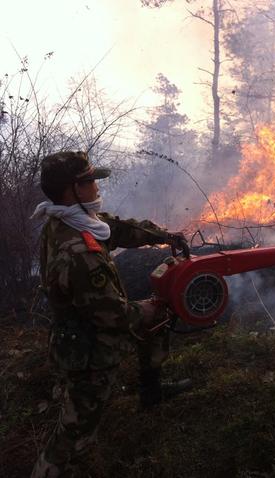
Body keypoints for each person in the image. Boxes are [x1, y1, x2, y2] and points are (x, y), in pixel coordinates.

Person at [30, 151, 191, 478]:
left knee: (155, 320)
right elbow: (111, 315)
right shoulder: (78, 251)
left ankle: (151, 391)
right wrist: (143, 310)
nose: (97, 186)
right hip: (89, 348)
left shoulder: (68, 220)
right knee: (74, 432)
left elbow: (117, 229)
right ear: (70, 190)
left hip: (87, 326)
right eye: (89, 181)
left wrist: (163, 237)